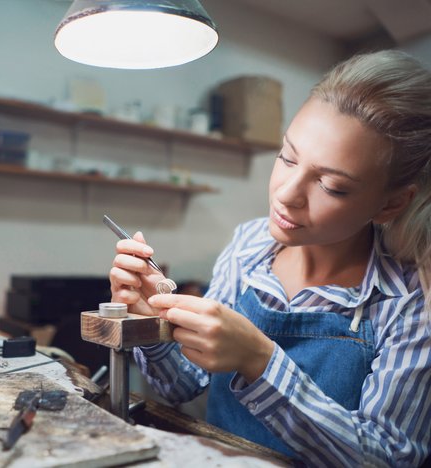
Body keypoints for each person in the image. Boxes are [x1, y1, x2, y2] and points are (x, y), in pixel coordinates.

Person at [108, 50, 431, 467]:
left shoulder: (409, 299)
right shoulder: (248, 247)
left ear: (390, 204)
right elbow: (181, 387)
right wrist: (150, 322)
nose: (286, 193)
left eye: (331, 185)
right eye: (287, 157)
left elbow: (388, 459)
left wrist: (260, 362)